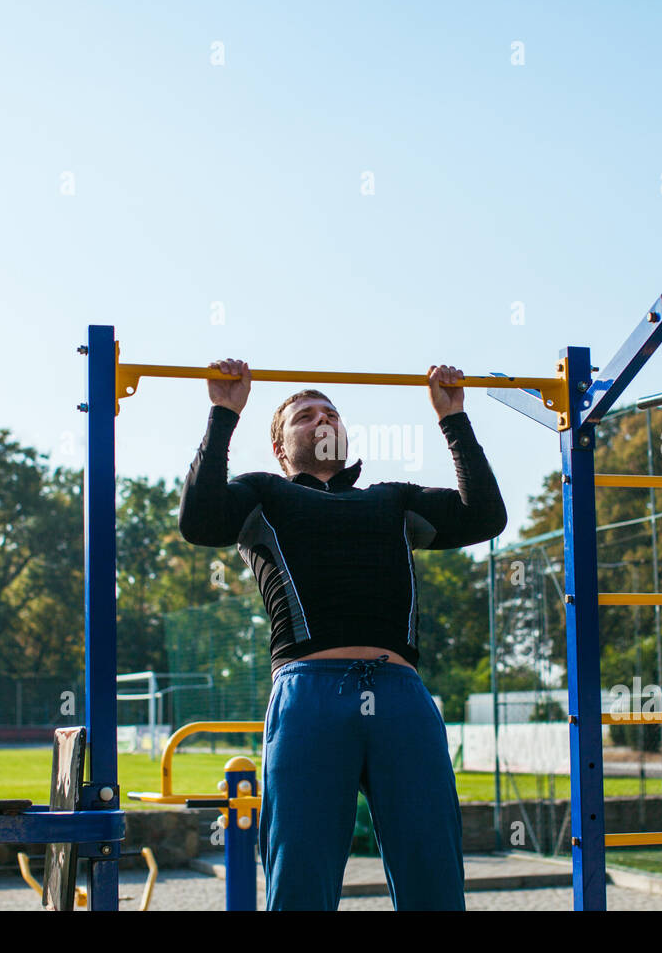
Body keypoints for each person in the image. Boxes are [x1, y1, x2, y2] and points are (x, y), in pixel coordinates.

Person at [178, 357, 507, 910]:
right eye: (304, 415)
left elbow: (484, 516)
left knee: (434, 873)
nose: (321, 418)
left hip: (401, 696)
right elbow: (199, 518)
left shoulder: (391, 499)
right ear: (282, 448)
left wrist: (453, 419)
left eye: (330, 412)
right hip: (309, 694)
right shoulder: (262, 494)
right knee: (301, 875)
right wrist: (223, 413)